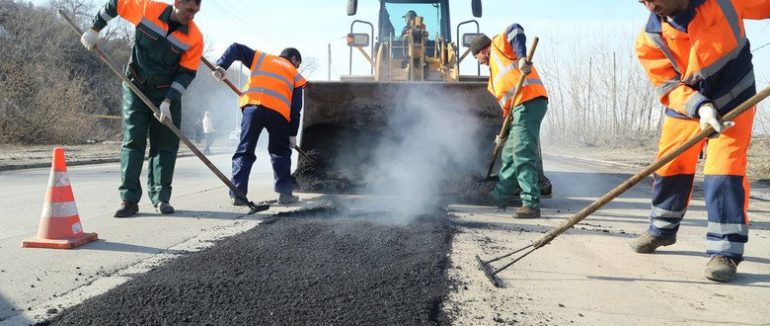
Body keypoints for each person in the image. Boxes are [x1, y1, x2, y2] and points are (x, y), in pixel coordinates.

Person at [629, 0, 770, 283]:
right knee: (670, 166)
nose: (649, 4)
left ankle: (725, 252)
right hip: (689, 107)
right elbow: (667, 86)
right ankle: (662, 229)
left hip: (735, 101)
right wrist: (701, 107)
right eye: (641, 0)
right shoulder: (649, 38)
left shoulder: (726, 3)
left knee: (723, 171)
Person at [80, 0, 203, 217]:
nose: (192, 16)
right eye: (190, 10)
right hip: (135, 85)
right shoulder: (148, 10)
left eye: (196, 12)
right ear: (177, 3)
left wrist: (168, 102)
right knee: (133, 141)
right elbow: (116, 4)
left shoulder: (194, 37)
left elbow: (186, 73)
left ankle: (161, 198)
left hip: (166, 95)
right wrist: (94, 29)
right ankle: (129, 200)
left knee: (165, 146)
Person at [211, 44, 307, 206]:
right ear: (294, 59)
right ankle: (285, 194)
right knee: (280, 152)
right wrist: (292, 134)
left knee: (244, 150)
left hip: (253, 107)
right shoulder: (295, 74)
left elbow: (236, 48)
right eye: (298, 64)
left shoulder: (263, 58)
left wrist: (221, 65)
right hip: (278, 113)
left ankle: (238, 194)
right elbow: (296, 109)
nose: (297, 67)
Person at [470, 24, 549, 219]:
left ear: (483, 50)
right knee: (508, 154)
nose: (478, 62)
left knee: (522, 153)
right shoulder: (493, 80)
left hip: (530, 102)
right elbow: (507, 108)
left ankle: (531, 203)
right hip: (518, 111)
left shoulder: (498, 45)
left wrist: (522, 57)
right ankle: (500, 196)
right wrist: (502, 136)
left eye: (476, 57)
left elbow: (515, 29)